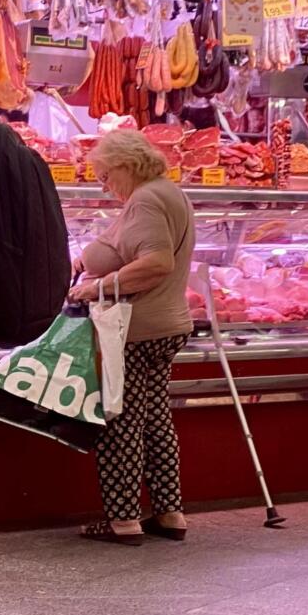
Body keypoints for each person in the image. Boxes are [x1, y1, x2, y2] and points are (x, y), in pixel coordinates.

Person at [68, 131, 196, 545]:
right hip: (167, 326)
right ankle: (170, 512)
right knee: (155, 421)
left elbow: (157, 262)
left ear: (126, 165)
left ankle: (123, 521)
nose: (105, 186)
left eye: (106, 176)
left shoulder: (145, 199)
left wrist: (98, 287)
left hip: (135, 329)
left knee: (120, 422)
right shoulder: (167, 191)